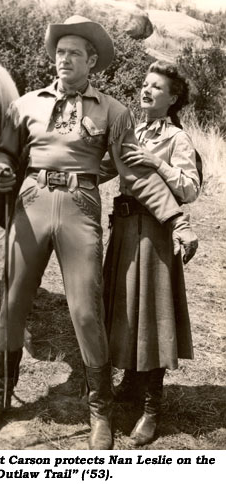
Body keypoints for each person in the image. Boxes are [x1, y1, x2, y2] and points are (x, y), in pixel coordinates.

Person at [0, 17, 198, 450]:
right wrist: (2, 167)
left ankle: (101, 411)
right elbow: (5, 149)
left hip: (81, 206)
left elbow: (137, 172)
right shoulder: (25, 105)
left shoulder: (114, 111)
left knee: (85, 310)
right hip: (31, 202)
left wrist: (177, 220)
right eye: (59, 52)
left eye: (74, 52)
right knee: (13, 299)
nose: (64, 59)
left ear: (91, 61)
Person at [103, 60, 200, 446]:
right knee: (126, 306)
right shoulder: (131, 129)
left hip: (156, 234)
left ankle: (151, 406)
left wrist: (157, 161)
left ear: (173, 98)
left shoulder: (177, 138)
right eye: (145, 84)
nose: (146, 90)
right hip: (124, 229)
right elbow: (108, 168)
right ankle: (128, 380)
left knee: (153, 313)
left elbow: (190, 189)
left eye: (156, 87)